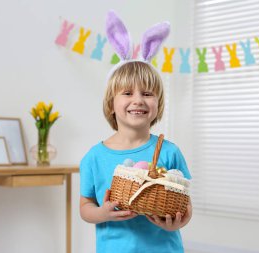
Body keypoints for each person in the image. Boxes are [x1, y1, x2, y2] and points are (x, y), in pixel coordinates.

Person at [79, 10, 192, 253]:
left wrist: (178, 222)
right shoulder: (94, 157)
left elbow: (185, 205)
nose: (138, 100)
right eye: (128, 93)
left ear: (158, 104)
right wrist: (102, 213)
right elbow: (85, 207)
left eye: (147, 94)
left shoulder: (170, 152)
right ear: (111, 103)